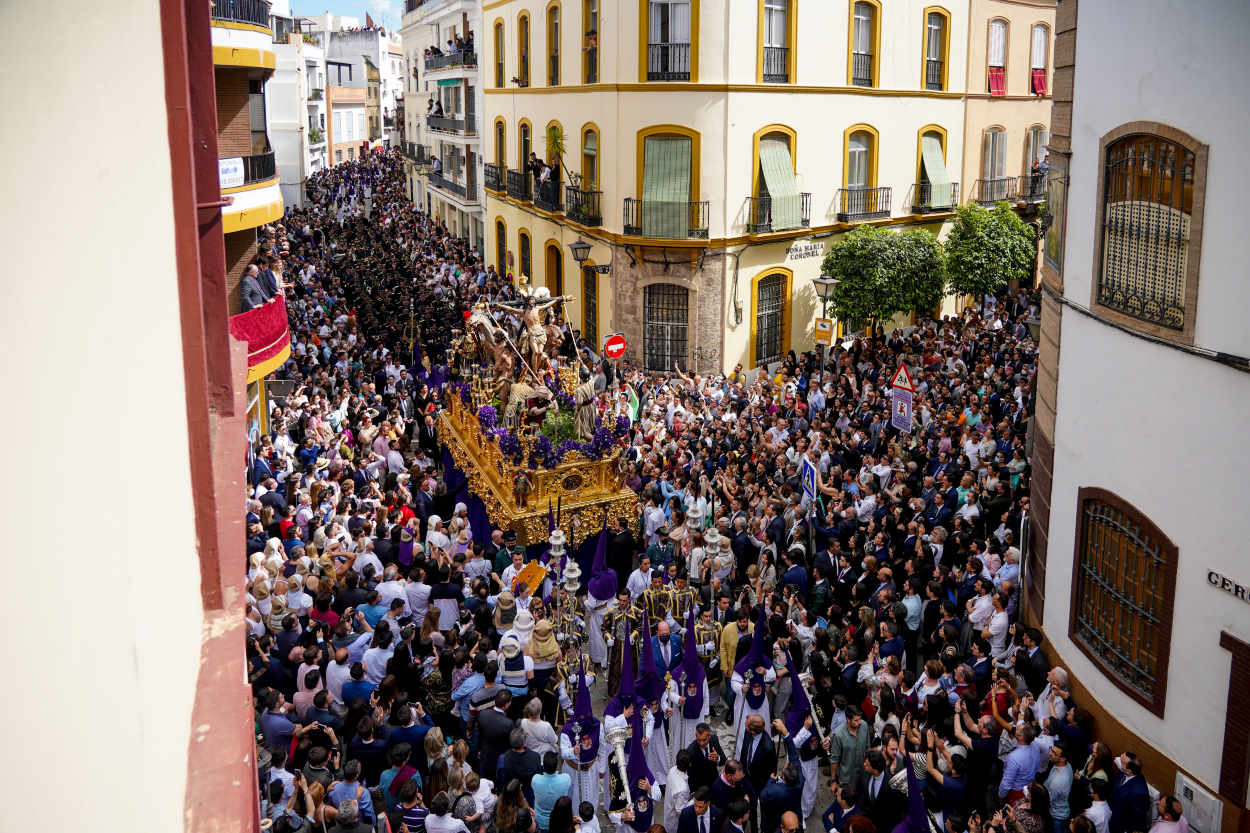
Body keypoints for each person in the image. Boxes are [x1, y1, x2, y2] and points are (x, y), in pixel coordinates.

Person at [531, 751, 571, 832]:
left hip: (540, 822)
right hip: (560, 822)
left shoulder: (535, 779)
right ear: (556, 766)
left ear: (543, 766)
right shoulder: (566, 779)